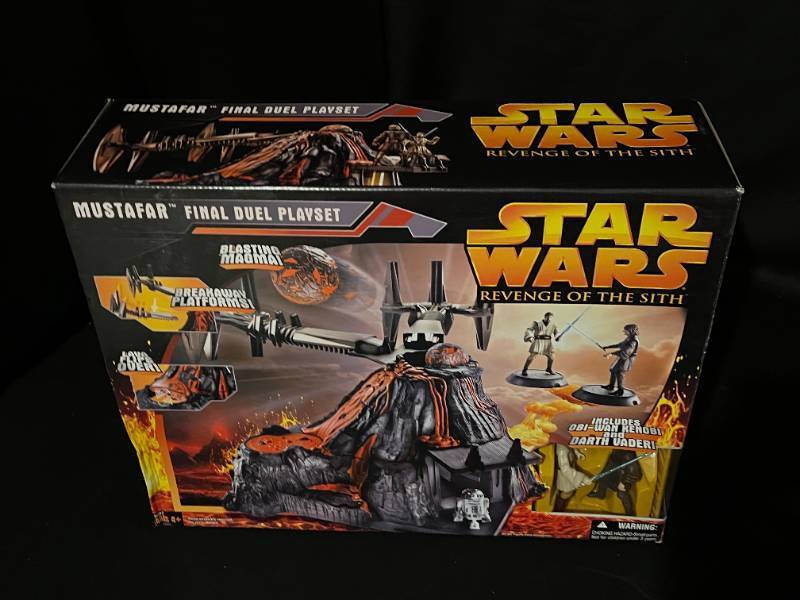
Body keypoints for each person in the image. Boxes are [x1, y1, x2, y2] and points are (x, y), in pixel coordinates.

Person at [602, 323, 639, 396]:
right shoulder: (629, 338)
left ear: (630, 330)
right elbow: (620, 345)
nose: (624, 331)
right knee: (613, 370)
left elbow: (626, 352)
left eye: (625, 330)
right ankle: (611, 386)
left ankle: (620, 391)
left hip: (626, 360)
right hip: (623, 358)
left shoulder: (633, 341)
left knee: (620, 374)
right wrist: (607, 347)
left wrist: (611, 354)